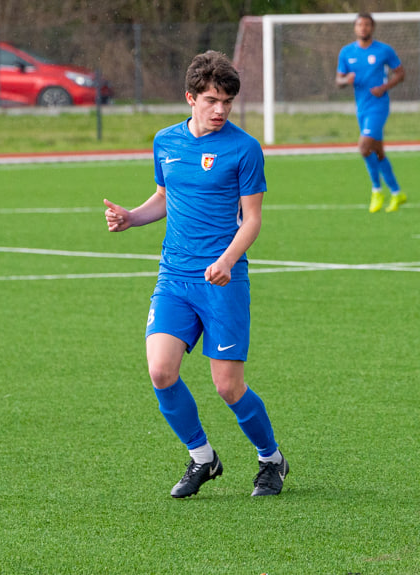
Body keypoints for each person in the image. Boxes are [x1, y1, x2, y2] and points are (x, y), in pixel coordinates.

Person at [102, 51, 288, 499]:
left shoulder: (244, 149)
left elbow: (252, 220)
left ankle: (271, 459)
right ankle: (203, 458)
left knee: (228, 386)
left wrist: (226, 260)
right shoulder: (165, 142)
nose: (220, 109)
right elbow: (165, 197)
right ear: (190, 98)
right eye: (211, 100)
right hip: (174, 278)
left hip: (223, 281)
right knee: (161, 371)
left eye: (227, 101)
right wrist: (132, 216)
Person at [336, 13, 406, 214]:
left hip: (379, 105)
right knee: (377, 151)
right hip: (362, 108)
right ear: (355, 28)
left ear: (372, 27)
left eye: (367, 24)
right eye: (360, 24)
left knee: (364, 147)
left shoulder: (384, 50)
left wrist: (384, 87)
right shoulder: (347, 52)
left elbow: (401, 73)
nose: (363, 28)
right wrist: (345, 80)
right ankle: (396, 192)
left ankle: (376, 190)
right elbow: (338, 80)